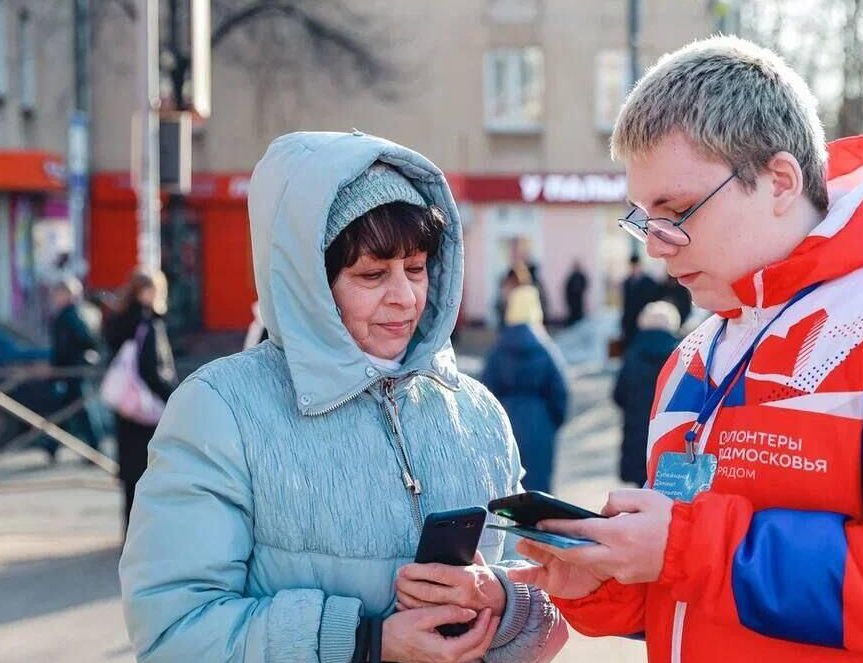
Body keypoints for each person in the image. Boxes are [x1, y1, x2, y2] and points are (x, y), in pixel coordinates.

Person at [509, 36, 863, 663]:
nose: (657, 244)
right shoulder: (696, 353)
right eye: (643, 218)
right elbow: (699, 597)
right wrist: (605, 582)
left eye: (677, 210)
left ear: (780, 181)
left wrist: (684, 545)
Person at [120, 132, 566, 663]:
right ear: (309, 284)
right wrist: (363, 644)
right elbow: (172, 631)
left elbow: (550, 599)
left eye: (417, 268)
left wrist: (501, 599)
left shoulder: (474, 411)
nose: (405, 296)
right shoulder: (221, 411)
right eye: (372, 274)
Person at [103, 269, 176, 529]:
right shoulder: (149, 323)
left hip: (126, 408)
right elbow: (152, 370)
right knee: (151, 473)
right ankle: (147, 538)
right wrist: (173, 395)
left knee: (130, 480)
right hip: (147, 411)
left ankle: (129, 536)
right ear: (148, 292)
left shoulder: (119, 319)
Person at [482, 285, 569, 493]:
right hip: (540, 424)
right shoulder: (546, 349)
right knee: (539, 492)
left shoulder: (497, 349)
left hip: (505, 423)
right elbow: (560, 393)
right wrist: (550, 423)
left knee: (507, 490)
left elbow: (484, 393)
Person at [613, 301, 681, 487]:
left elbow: (619, 394)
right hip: (670, 435)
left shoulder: (633, 354)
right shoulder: (681, 354)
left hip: (637, 431)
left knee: (640, 483)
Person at [47, 274, 104, 458]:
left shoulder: (70, 316)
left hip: (72, 370)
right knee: (68, 410)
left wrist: (58, 368)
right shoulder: (79, 313)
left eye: (57, 293)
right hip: (73, 369)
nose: (54, 297)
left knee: (79, 410)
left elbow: (76, 343)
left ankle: (94, 448)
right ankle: (52, 446)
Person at [619, 254, 659, 348]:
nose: (634, 268)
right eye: (632, 266)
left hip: (644, 320)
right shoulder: (627, 282)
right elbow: (625, 303)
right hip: (629, 321)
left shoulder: (649, 282)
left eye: (636, 266)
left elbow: (653, 301)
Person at [564, 260, 589, 326]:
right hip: (572, 298)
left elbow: (585, 284)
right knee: (573, 313)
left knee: (579, 313)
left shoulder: (581, 276)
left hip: (579, 298)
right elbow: (567, 287)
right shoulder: (571, 276)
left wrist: (580, 290)